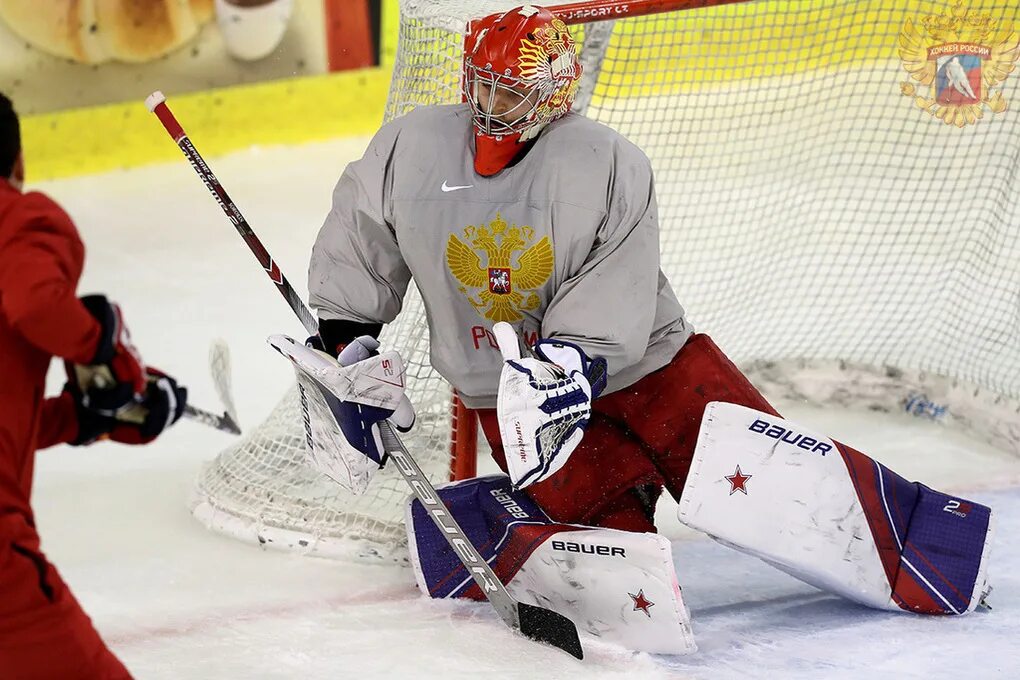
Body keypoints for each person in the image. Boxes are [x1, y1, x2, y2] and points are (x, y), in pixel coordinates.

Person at [305, 4, 990, 628]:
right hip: (508, 395)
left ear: (553, 93)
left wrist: (565, 364)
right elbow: (361, 242)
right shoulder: (410, 146)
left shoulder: (605, 160)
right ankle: (502, 528)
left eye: (510, 91)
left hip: (652, 368)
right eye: (480, 84)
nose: (489, 106)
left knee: (779, 486)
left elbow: (617, 288)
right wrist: (351, 349)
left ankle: (930, 553)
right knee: (609, 568)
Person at [0, 92, 188, 679]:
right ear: (19, 162)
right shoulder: (21, 217)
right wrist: (110, 357)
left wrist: (80, 418)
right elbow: (35, 303)